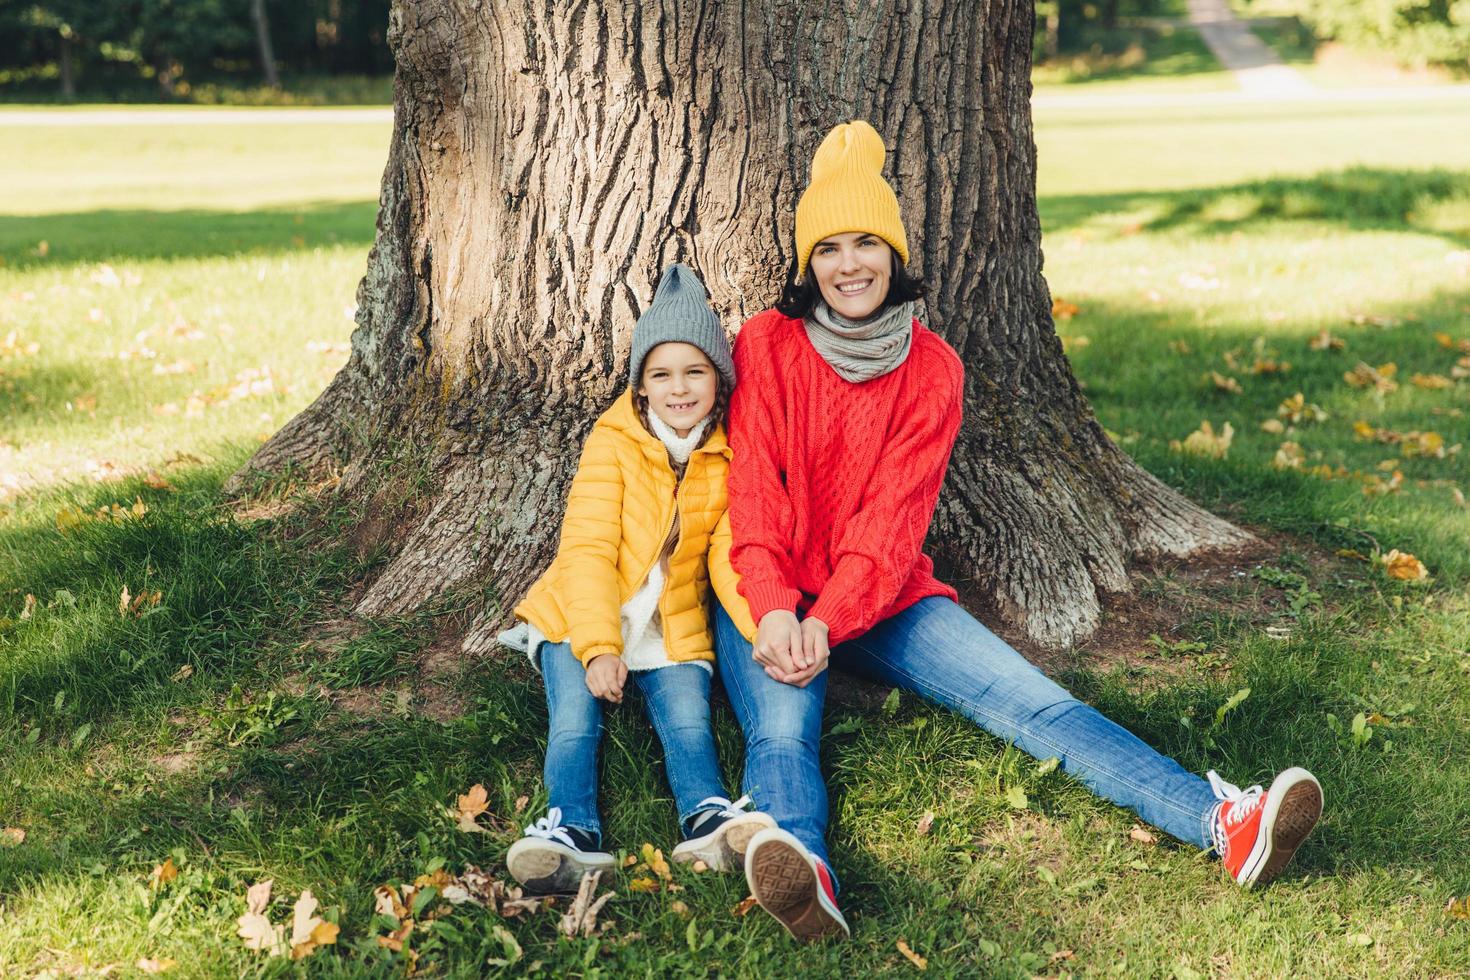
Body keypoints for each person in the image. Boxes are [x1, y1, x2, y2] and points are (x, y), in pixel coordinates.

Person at [707, 121, 1324, 941]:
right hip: (768, 589)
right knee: (783, 730)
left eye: (866, 243)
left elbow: (893, 527)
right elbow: (753, 496)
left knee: (1034, 702)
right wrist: (782, 612)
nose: (848, 264)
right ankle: (804, 874)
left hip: (885, 594)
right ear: (806, 263)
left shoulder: (933, 370)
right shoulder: (767, 345)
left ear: (894, 254)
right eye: (828, 248)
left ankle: (1222, 822)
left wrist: (831, 621)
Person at [499, 263, 773, 894]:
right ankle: (569, 832)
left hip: (669, 624)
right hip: (580, 615)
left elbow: (733, 557)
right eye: (661, 374)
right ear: (641, 386)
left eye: (695, 371)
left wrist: (761, 627)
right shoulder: (613, 442)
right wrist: (599, 648)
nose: (679, 388)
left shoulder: (728, 452)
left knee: (687, 719)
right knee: (575, 717)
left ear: (719, 379)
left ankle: (708, 818)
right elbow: (587, 552)